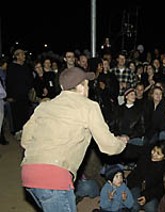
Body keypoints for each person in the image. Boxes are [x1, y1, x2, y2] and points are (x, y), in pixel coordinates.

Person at [20, 67, 129, 212]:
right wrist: (121, 142)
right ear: (81, 87)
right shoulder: (88, 106)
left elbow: (25, 141)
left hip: (29, 174)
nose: (88, 89)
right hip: (54, 178)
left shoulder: (44, 106)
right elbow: (108, 146)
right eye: (87, 85)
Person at [122, 140, 165, 212]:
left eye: (158, 154)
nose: (154, 154)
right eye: (154, 150)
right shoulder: (147, 153)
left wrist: (147, 197)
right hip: (137, 184)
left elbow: (162, 186)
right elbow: (136, 172)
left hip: (152, 191)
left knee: (151, 209)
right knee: (134, 206)